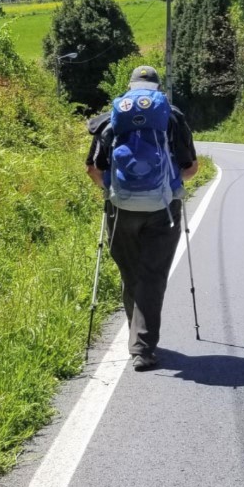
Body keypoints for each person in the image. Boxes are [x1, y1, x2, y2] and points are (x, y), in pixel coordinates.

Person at [85, 65, 199, 371]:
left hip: (120, 210)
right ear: (157, 89)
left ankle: (138, 339)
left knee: (131, 273)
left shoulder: (113, 117)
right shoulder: (171, 117)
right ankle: (143, 348)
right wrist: (172, 184)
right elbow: (191, 167)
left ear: (131, 87)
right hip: (163, 210)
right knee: (153, 276)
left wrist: (111, 190)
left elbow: (93, 169)